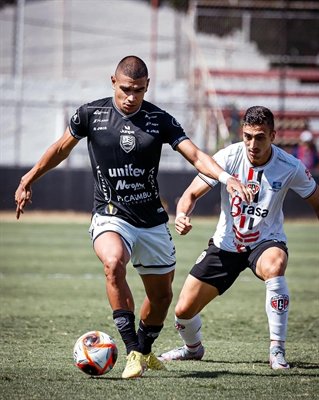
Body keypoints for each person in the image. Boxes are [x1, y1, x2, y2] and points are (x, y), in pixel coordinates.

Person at [14, 56, 253, 379]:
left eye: (138, 90)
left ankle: (145, 348)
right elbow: (60, 148)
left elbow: (195, 154)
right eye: (126, 89)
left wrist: (227, 179)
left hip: (152, 221)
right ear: (113, 81)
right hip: (111, 215)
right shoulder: (90, 114)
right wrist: (29, 178)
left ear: (147, 86)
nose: (131, 96)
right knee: (113, 263)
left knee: (162, 296)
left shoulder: (159, 119)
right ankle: (131, 352)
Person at [158, 105, 319, 370]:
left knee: (275, 266)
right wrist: (182, 214)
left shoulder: (290, 166)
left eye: (260, 137)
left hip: (266, 241)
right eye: (247, 136)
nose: (252, 144)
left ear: (273, 136)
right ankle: (192, 349)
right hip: (225, 245)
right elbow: (189, 195)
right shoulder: (228, 157)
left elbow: (317, 202)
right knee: (182, 312)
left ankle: (277, 350)